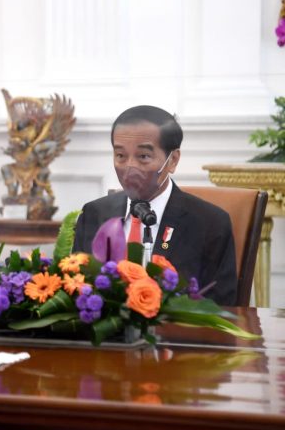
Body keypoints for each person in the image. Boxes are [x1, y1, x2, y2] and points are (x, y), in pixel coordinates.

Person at [72, 105, 237, 306]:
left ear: (172, 160)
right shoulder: (94, 214)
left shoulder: (209, 224)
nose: (129, 168)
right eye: (120, 156)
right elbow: (76, 289)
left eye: (143, 157)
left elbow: (221, 308)